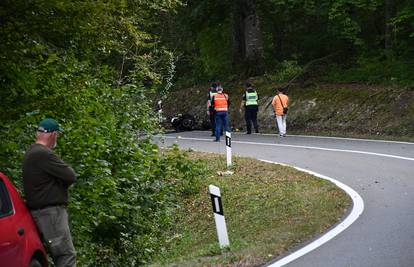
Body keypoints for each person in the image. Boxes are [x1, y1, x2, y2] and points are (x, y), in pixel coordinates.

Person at [22, 118, 77, 267]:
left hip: (42, 214)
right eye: (57, 135)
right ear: (53, 134)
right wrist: (60, 182)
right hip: (51, 215)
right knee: (65, 255)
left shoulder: (31, 152)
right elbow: (70, 176)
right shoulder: (43, 153)